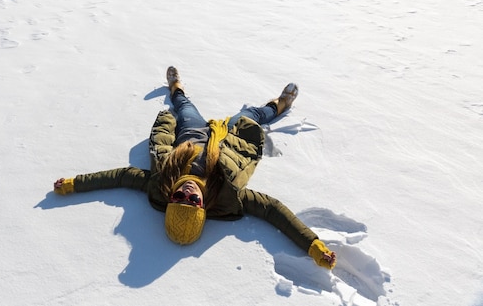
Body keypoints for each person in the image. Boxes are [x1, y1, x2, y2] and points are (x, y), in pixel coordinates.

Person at [54, 66, 337, 269]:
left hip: (189, 133)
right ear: (202, 208)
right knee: (251, 115)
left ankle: (176, 88)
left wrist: (74, 184)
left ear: (169, 200)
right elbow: (273, 210)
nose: (187, 192)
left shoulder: (160, 183)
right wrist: (313, 245)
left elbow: (118, 177)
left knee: (185, 107)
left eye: (179, 199)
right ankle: (280, 104)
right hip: (227, 137)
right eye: (192, 201)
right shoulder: (227, 196)